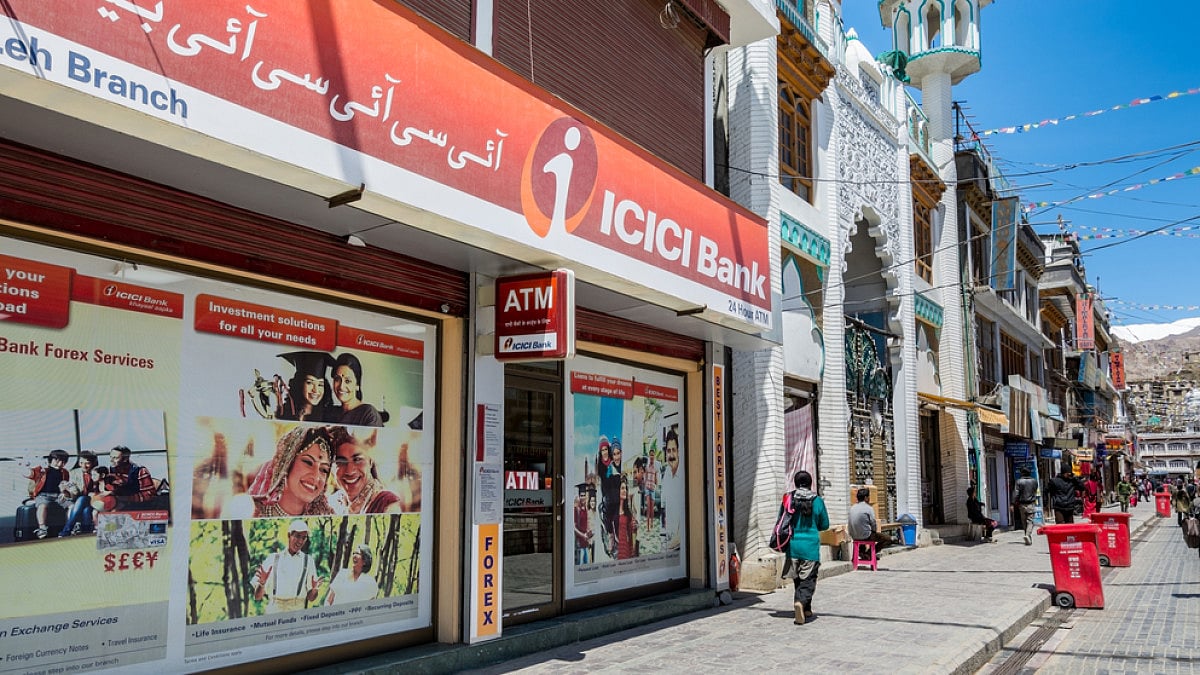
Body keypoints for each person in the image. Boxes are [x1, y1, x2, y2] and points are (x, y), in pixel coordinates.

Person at [228, 426, 336, 518]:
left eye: (324, 469)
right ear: (286, 463)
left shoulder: (327, 517)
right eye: (308, 462)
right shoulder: (252, 513)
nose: (316, 476)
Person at [779, 470, 829, 626]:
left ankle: (806, 609)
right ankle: (800, 602)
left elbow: (782, 521)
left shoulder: (788, 499)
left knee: (798, 579)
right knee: (808, 580)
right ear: (810, 483)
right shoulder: (817, 501)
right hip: (810, 547)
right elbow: (825, 524)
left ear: (795, 483)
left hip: (792, 546)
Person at [251, 519, 324, 613]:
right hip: (274, 609)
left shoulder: (308, 561)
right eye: (297, 536)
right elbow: (257, 596)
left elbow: (311, 598)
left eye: (304, 537)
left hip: (297, 609)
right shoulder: (272, 558)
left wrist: (314, 589)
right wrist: (262, 583)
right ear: (289, 535)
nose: (300, 541)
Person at [327, 426, 400, 514]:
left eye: (357, 459)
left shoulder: (389, 505)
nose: (350, 471)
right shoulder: (331, 503)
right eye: (341, 461)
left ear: (371, 460)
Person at [22, 449, 71, 539]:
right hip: (43, 495)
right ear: (50, 460)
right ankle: (42, 528)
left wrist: (64, 492)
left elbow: (65, 485)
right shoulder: (43, 470)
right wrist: (26, 465)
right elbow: (29, 474)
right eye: (57, 460)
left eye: (63, 461)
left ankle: (69, 526)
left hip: (58, 495)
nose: (60, 463)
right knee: (42, 506)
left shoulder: (65, 472)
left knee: (71, 506)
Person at [277, 351, 335, 422]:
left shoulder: (329, 417)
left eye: (320, 384)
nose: (316, 390)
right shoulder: (284, 412)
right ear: (299, 384)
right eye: (309, 383)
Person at [96, 445, 157, 511]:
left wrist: (126, 498)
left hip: (137, 506)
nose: (111, 460)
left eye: (115, 458)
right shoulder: (111, 470)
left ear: (125, 459)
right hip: (116, 503)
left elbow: (150, 495)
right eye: (110, 457)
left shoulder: (140, 470)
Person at [331, 353, 384, 427]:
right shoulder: (331, 413)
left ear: (357, 385)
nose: (341, 386)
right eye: (337, 379)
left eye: (347, 381)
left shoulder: (368, 414)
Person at [59, 451, 103, 536]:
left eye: (87, 463)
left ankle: (67, 529)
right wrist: (66, 491)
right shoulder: (73, 472)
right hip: (79, 500)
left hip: (95, 500)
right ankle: (85, 532)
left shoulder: (98, 472)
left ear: (93, 463)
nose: (83, 466)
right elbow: (74, 490)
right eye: (81, 463)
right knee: (85, 508)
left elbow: (103, 488)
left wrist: (94, 493)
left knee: (83, 501)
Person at [1012, 467, 1040, 545]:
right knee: (1030, 521)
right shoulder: (1034, 481)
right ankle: (1028, 535)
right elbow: (1035, 491)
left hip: (1022, 504)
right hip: (1031, 503)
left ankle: (1027, 535)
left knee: (1024, 521)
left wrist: (1013, 503)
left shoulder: (1019, 481)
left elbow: (1016, 493)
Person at [613, 475, 639, 560]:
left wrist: (635, 526)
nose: (625, 491)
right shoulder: (613, 513)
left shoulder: (628, 512)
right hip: (618, 553)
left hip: (627, 551)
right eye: (622, 488)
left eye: (626, 489)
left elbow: (632, 531)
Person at [573, 487, 592, 564]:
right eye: (581, 495)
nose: (583, 497)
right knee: (580, 566)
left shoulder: (586, 509)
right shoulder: (576, 510)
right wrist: (582, 535)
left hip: (586, 543)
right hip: (579, 543)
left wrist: (589, 532)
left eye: (584, 495)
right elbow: (573, 528)